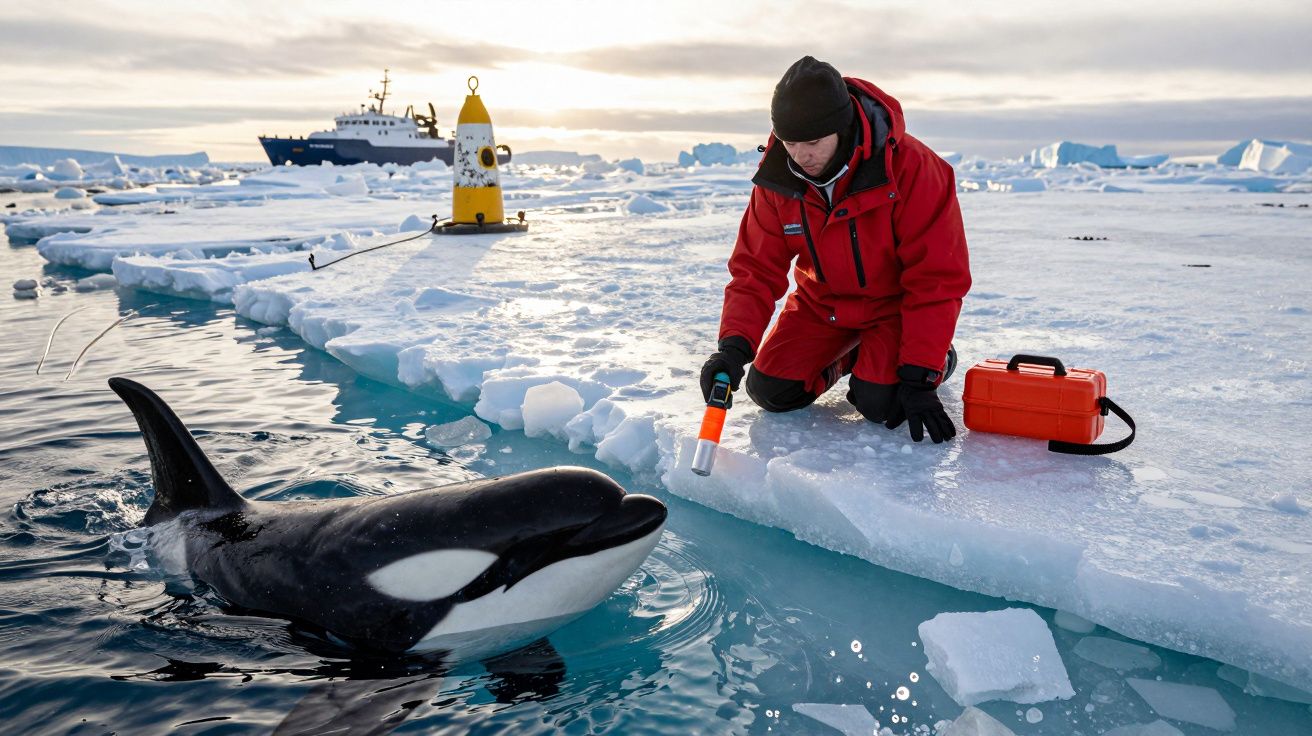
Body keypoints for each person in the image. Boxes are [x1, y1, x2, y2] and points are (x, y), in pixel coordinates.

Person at [700, 56, 971, 443]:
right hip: (822, 306)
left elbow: (936, 277)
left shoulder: (914, 168)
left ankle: (940, 356)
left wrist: (921, 373)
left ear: (842, 128)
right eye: (791, 143)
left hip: (893, 308)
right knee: (771, 390)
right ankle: (852, 354)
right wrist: (733, 347)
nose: (801, 156)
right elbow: (755, 270)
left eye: (813, 143)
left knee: (880, 403)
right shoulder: (778, 178)